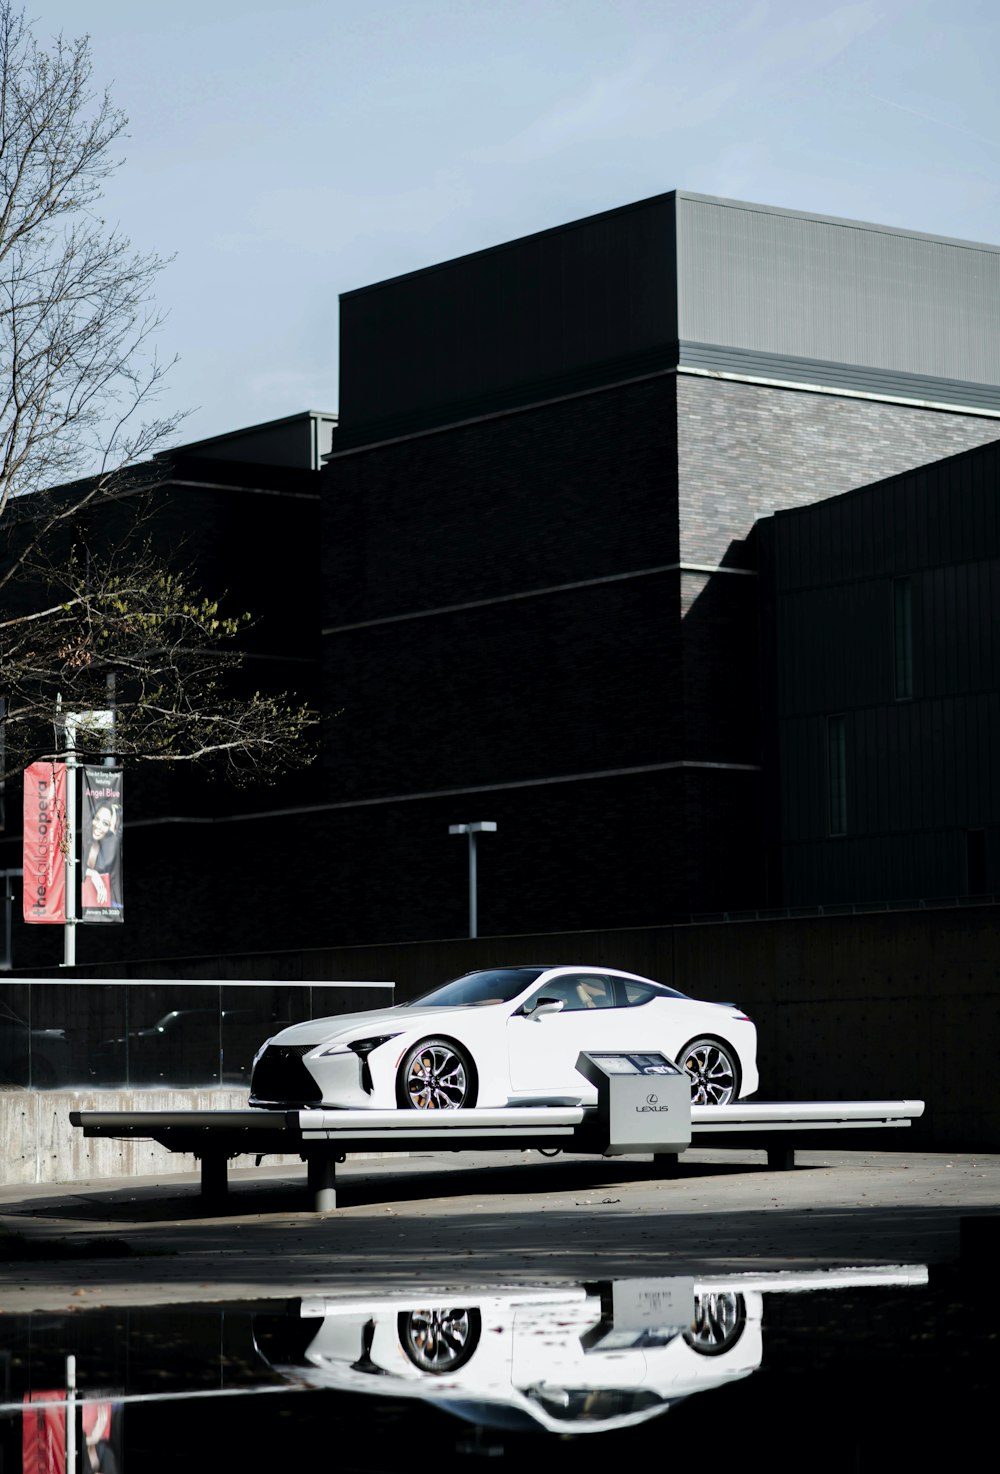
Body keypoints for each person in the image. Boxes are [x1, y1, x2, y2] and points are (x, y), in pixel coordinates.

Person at [83, 801, 122, 908]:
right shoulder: (82, 840)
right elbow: (70, 867)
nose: (99, 826)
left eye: (106, 824)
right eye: (97, 819)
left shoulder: (108, 846)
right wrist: (92, 873)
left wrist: (111, 831)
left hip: (102, 906)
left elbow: (102, 867)